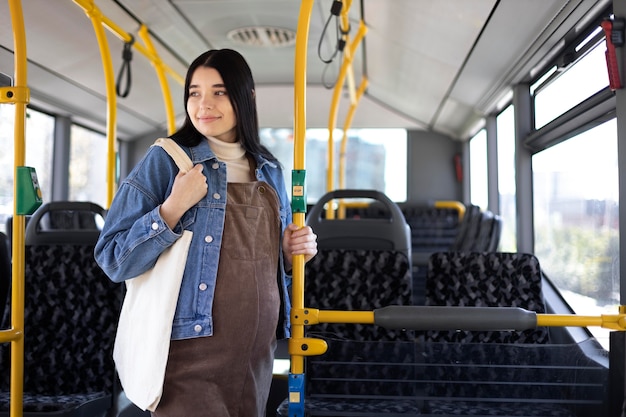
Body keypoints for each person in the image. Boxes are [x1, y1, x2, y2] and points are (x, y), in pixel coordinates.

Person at [94, 48, 318, 417]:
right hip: (189, 354)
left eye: (219, 91)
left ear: (246, 98)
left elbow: (270, 261)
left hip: (257, 354)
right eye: (194, 92)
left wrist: (293, 251)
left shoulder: (270, 170)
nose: (203, 104)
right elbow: (113, 258)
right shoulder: (166, 160)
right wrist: (171, 209)